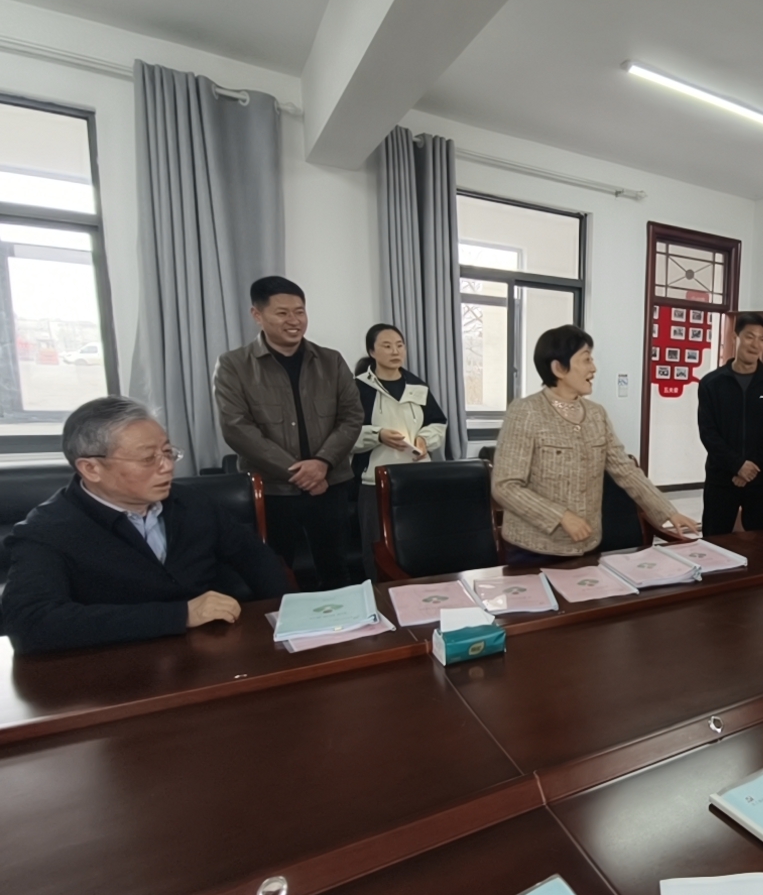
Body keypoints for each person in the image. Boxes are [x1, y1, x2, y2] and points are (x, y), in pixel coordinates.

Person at [2, 397, 288, 654]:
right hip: (116, 666)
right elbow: (29, 623)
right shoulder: (47, 531)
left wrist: (290, 614)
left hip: (211, 652)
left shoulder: (193, 502)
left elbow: (254, 556)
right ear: (91, 468)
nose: (167, 467)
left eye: (168, 452)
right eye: (148, 458)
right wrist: (179, 615)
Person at [491, 325, 701, 561]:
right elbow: (505, 486)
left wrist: (668, 511)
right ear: (558, 368)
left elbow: (625, 470)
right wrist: (560, 516)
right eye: (586, 359)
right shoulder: (525, 412)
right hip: (533, 550)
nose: (593, 368)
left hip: (588, 545)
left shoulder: (596, 414)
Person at [214, 276, 363, 590]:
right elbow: (237, 428)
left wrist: (322, 463)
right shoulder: (234, 365)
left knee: (337, 571)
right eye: (282, 313)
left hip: (331, 486)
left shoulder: (331, 361)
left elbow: (352, 416)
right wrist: (299, 472)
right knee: (273, 573)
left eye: (300, 312)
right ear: (257, 315)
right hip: (272, 491)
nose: (294, 321)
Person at [352, 323, 447, 579]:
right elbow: (345, 434)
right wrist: (377, 435)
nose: (395, 351)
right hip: (374, 480)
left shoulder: (418, 386)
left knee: (420, 540)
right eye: (387, 346)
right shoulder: (357, 388)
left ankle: (423, 594)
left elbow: (438, 423)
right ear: (372, 351)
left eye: (399, 345)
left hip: (417, 477)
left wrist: (425, 439)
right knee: (376, 546)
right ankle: (379, 595)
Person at [696, 313, 763, 534]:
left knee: (762, 545)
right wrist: (737, 465)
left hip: (762, 480)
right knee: (715, 542)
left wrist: (751, 467)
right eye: (749, 336)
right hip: (722, 479)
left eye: (762, 339)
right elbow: (708, 433)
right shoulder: (712, 383)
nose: (755, 344)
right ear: (735, 338)